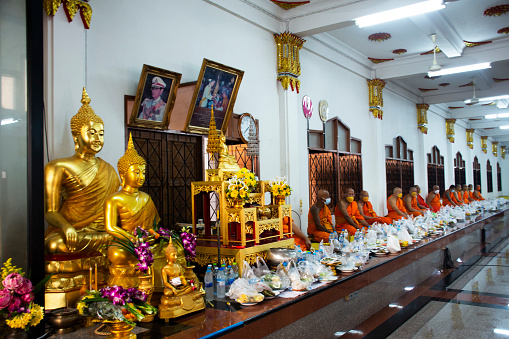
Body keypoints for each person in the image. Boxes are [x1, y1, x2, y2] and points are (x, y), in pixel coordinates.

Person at [44, 88, 121, 255]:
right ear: (75, 136)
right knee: (54, 245)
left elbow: (114, 208)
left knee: (128, 242)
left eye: (101, 134)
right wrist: (66, 226)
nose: (97, 139)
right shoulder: (58, 166)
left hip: (102, 232)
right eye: (91, 133)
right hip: (73, 232)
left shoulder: (108, 169)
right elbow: (50, 212)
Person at [104, 134, 160, 267]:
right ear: (123, 175)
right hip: (125, 242)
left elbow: (152, 226)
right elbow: (110, 227)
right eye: (136, 172)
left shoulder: (146, 197)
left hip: (146, 241)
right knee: (119, 255)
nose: (141, 176)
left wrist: (152, 235)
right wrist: (132, 238)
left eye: (143, 172)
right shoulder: (114, 199)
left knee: (175, 248)